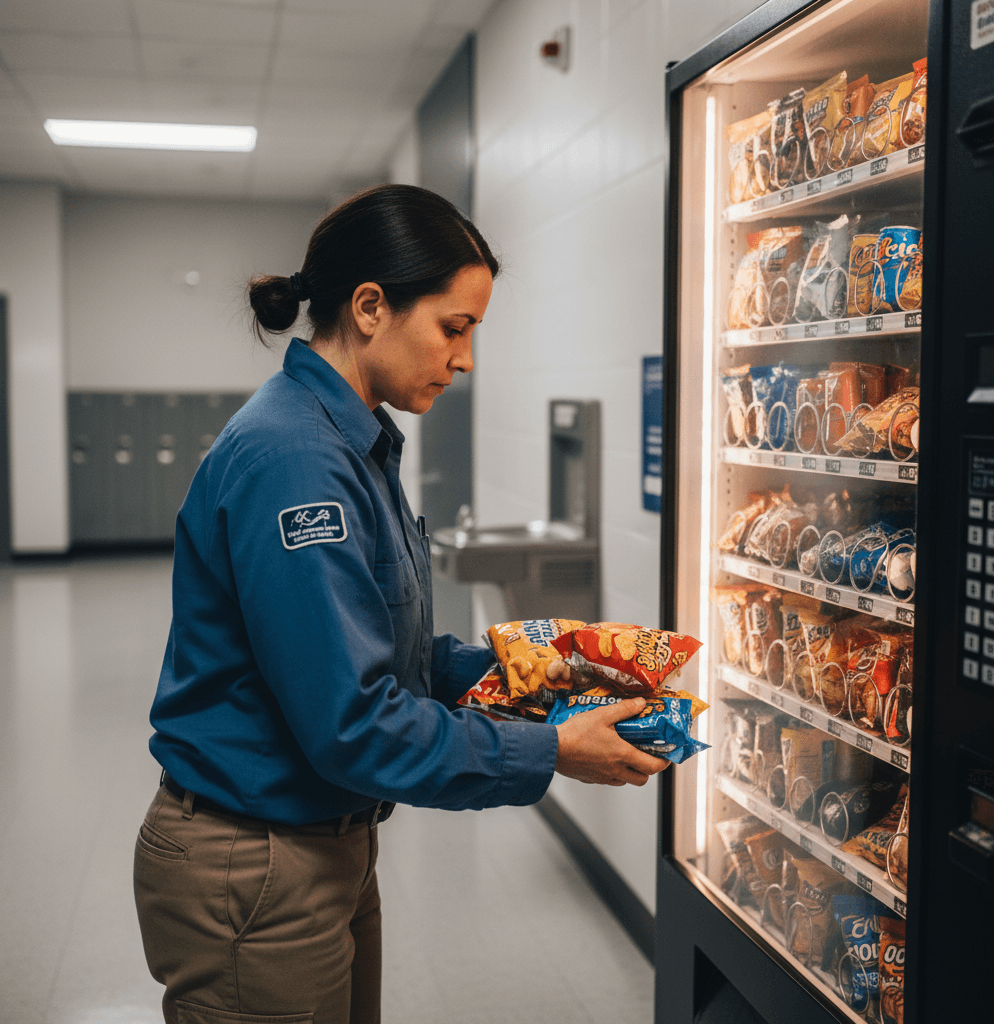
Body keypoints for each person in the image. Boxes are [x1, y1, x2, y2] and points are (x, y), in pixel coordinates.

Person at [133, 184, 667, 1024]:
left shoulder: (353, 440)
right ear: (372, 307)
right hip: (256, 859)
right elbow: (353, 723)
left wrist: (533, 669)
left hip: (323, 841)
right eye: (454, 328)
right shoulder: (295, 459)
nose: (465, 359)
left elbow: (383, 652)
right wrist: (549, 750)